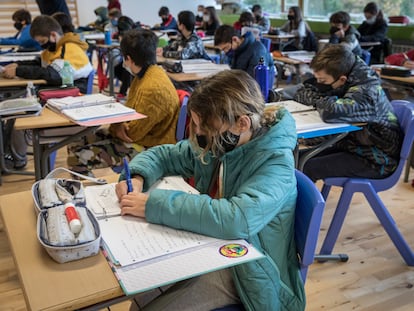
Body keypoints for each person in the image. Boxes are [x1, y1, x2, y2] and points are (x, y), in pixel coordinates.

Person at [115, 69, 305, 311]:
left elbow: (236, 219)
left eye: (206, 128)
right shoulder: (224, 142)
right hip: (210, 244)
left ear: (242, 123)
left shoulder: (275, 164)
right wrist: (140, 175)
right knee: (141, 293)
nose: (201, 135)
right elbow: (166, 155)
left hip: (248, 267)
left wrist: (154, 204)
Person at [67, 29, 179, 175]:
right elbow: (128, 114)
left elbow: (132, 133)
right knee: (75, 140)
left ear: (128, 59)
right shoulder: (145, 75)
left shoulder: (153, 88)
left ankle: (86, 195)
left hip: (150, 146)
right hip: (142, 137)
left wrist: (116, 126)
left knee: (76, 158)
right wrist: (118, 125)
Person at [293, 44, 402, 182]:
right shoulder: (345, 76)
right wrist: (322, 99)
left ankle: (306, 204)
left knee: (307, 166)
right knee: (296, 159)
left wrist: (318, 100)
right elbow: (303, 93)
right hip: (354, 146)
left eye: (323, 80)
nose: (319, 83)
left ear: (342, 79)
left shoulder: (367, 93)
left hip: (378, 159)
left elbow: (331, 112)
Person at [2, 15, 93, 170]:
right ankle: (9, 155)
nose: (42, 46)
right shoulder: (56, 48)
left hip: (69, 102)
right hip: (55, 97)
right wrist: (16, 65)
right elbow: (40, 63)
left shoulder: (70, 49)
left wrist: (19, 70)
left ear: (53, 35)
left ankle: (16, 159)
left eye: (43, 42)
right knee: (10, 110)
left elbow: (54, 75)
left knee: (19, 115)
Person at [114, 15, 140, 97]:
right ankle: (125, 90)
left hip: (139, 59)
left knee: (126, 69)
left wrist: (123, 41)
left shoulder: (136, 34)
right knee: (118, 69)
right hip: (131, 58)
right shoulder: (129, 32)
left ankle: (124, 92)